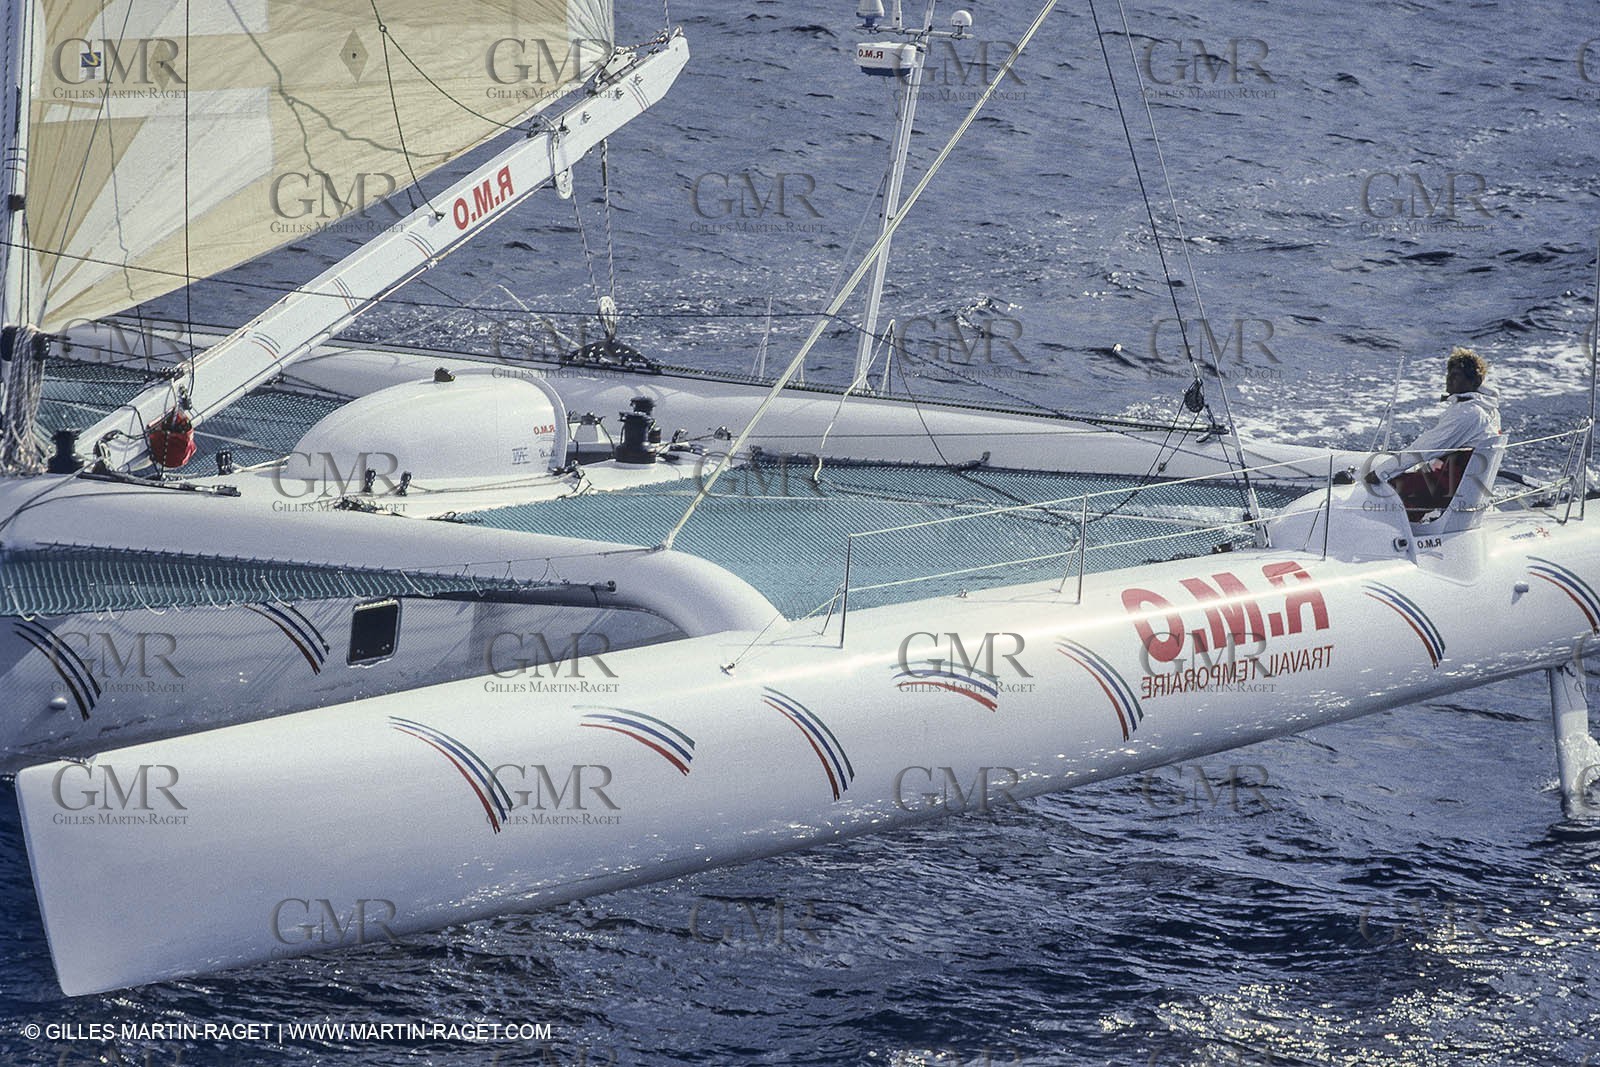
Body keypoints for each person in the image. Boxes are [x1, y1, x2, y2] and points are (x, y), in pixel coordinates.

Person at [1363, 347, 1501, 519]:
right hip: (1468, 485)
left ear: (1474, 382)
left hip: (1450, 487)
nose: (1449, 379)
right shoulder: (1489, 410)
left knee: (1386, 488)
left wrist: (1380, 472)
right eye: (1449, 373)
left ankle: (1396, 536)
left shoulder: (1469, 413)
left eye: (1457, 375)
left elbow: (1424, 448)